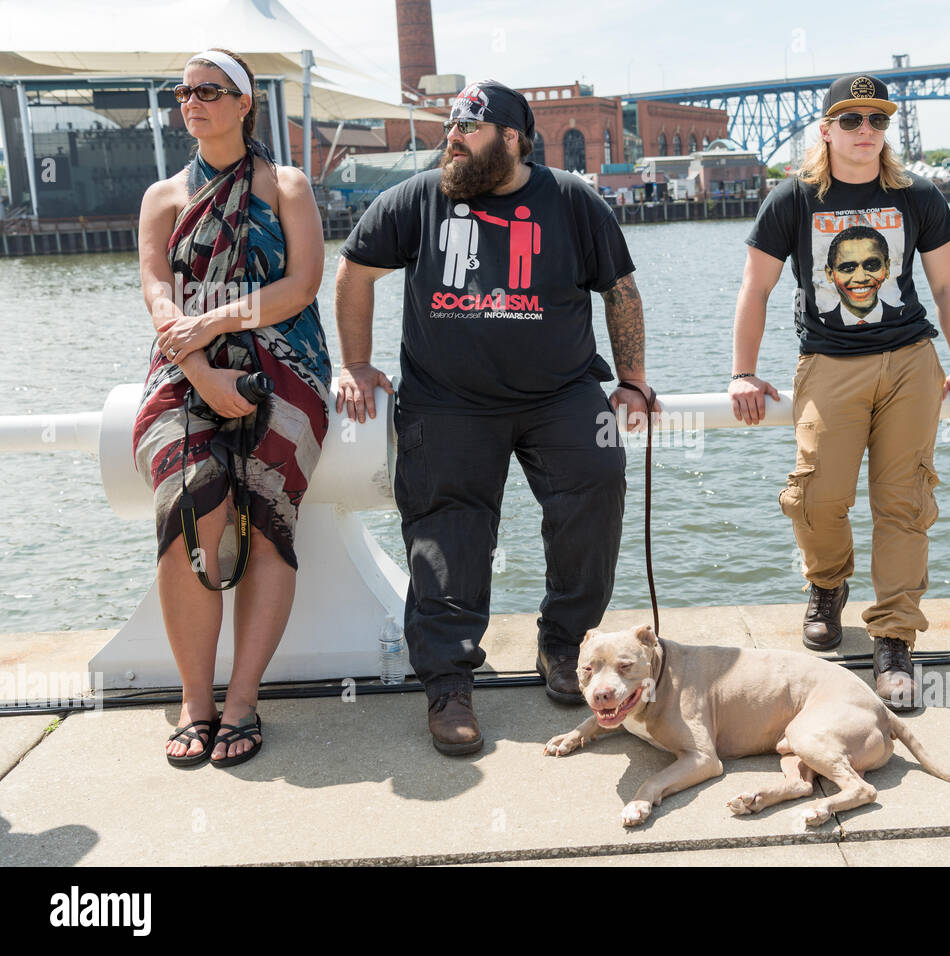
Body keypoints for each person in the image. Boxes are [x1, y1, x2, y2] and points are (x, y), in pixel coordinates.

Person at [334, 79, 655, 756]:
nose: (451, 139)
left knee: (597, 480)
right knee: (448, 533)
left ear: (512, 139)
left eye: (468, 130)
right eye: (451, 127)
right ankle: (448, 682)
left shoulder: (572, 200)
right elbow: (355, 270)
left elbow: (619, 289)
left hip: (559, 394)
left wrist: (632, 382)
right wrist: (355, 364)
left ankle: (566, 646)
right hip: (447, 401)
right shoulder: (421, 198)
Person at [729, 73, 950, 710]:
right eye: (851, 120)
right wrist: (742, 370)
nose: (865, 131)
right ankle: (827, 585)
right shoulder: (792, 200)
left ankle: (894, 636)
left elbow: (949, 287)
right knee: (816, 496)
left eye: (876, 119)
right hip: (828, 362)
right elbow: (755, 289)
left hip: (909, 362)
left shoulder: (917, 196)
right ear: (827, 130)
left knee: (904, 501)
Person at [134, 49, 330, 767]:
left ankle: (243, 699)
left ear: (245, 104)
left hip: (287, 360)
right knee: (193, 504)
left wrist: (214, 326)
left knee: (268, 506)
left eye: (210, 91)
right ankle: (196, 701)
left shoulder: (287, 185)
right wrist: (198, 368)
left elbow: (303, 285)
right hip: (181, 365)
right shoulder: (161, 196)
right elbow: (159, 294)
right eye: (185, 92)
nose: (194, 102)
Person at [819, 225, 904, 327]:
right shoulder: (820, 323)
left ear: (887, 268)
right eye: (848, 268)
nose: (861, 278)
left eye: (871, 266)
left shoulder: (903, 317)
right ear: (829, 274)